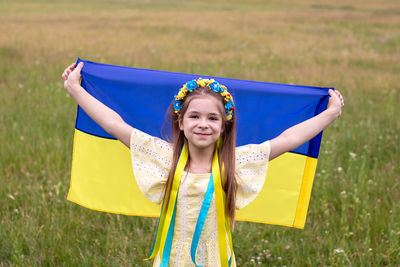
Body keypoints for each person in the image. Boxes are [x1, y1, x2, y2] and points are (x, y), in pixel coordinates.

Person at [62, 62, 344, 266]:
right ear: (181, 123)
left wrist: (330, 114)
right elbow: (114, 124)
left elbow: (289, 138)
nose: (203, 124)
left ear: (224, 126)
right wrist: (75, 89)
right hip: (172, 258)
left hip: (217, 259)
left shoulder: (238, 162)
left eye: (212, 118)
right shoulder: (163, 156)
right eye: (194, 116)